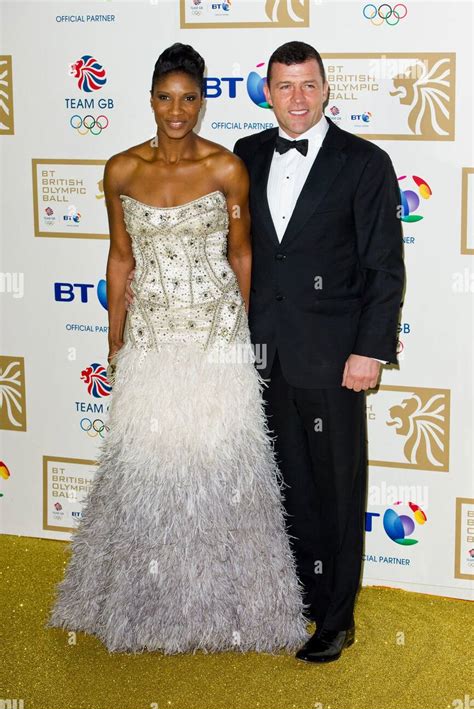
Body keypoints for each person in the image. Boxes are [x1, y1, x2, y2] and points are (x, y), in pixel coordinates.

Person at [124, 41, 405, 663]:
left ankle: (336, 618)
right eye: (284, 86)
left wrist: (369, 352)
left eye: (308, 85)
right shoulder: (244, 156)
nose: (297, 98)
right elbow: (222, 253)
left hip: (333, 358)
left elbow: (384, 268)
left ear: (327, 89)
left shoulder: (365, 162)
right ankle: (296, 595)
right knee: (283, 484)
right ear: (267, 91)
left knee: (335, 484)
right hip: (251, 356)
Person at [46, 42, 308, 654]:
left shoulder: (226, 169)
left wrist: (238, 330)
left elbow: (242, 253)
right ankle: (147, 606)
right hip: (151, 336)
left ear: (202, 101)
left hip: (216, 335)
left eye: (189, 98)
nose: (177, 110)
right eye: (166, 97)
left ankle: (231, 609)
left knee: (223, 472)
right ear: (151, 99)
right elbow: (119, 255)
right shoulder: (121, 170)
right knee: (150, 472)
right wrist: (114, 329)